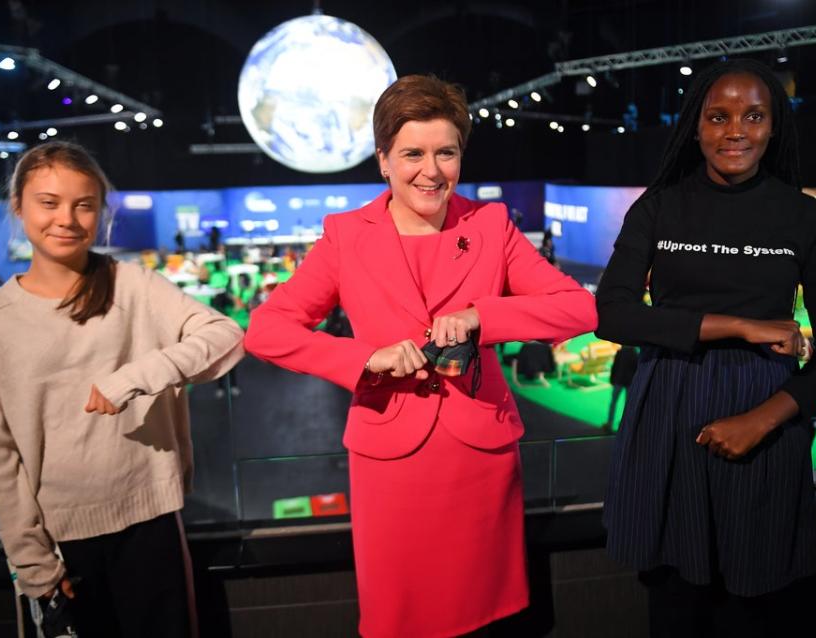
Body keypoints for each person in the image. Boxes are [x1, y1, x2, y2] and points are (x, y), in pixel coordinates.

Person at [243, 75, 597, 637]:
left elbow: (578, 308)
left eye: (446, 153)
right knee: (399, 616)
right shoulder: (344, 236)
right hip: (391, 462)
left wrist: (485, 316)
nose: (430, 171)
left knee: (489, 617)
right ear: (383, 159)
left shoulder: (490, 224)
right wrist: (365, 359)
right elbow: (266, 330)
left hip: (479, 460)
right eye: (412, 153)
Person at [595, 59, 816, 635]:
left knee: (754, 603)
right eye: (718, 116)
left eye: (753, 116)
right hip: (667, 408)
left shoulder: (805, 218)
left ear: (773, 127)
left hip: (766, 417)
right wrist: (741, 325)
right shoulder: (658, 207)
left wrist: (762, 419)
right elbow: (612, 315)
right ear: (697, 126)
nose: (735, 130)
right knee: (673, 601)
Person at [0, 141, 244, 637]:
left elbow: (225, 337)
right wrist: (31, 559)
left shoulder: (132, 285)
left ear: (100, 211)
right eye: (49, 202)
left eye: (84, 204)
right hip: (59, 540)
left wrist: (134, 379)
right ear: (19, 207)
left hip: (150, 522)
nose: (67, 219)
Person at [604, 345, 638, 432]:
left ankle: (609, 424)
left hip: (618, 381)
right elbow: (636, 370)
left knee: (613, 403)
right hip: (629, 383)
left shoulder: (620, 353)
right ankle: (624, 426)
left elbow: (614, 367)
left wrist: (612, 379)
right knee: (627, 406)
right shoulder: (635, 354)